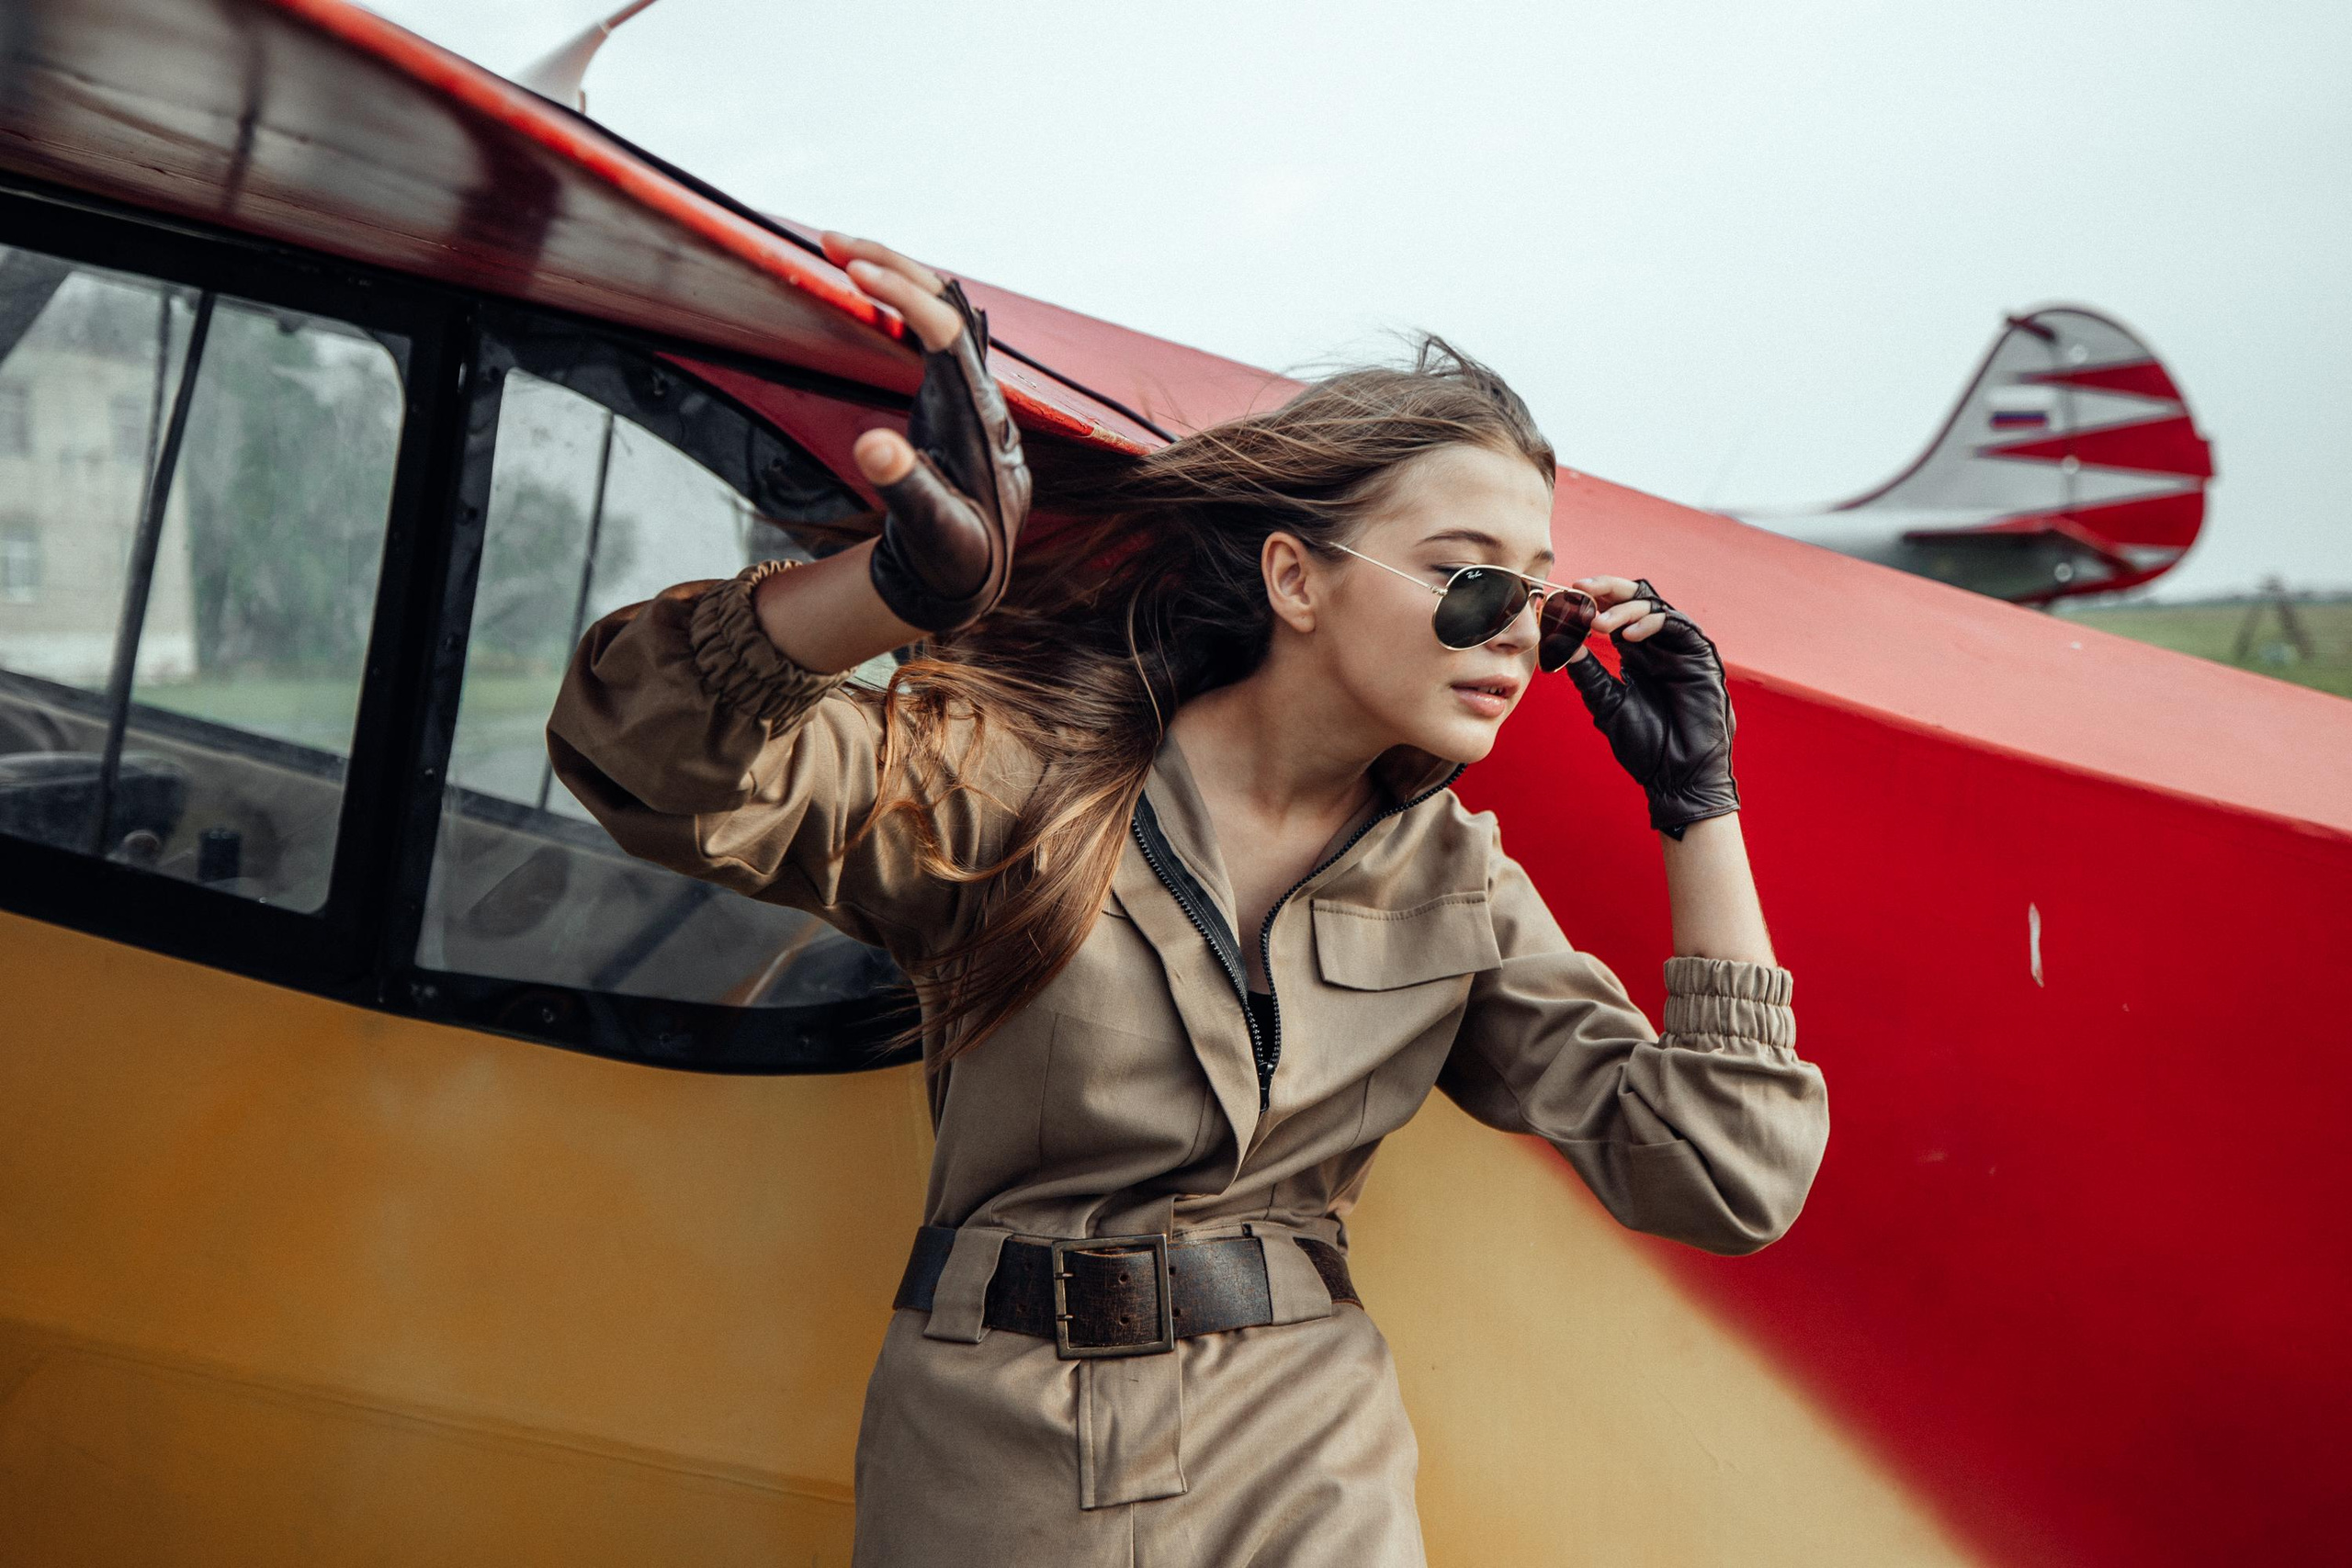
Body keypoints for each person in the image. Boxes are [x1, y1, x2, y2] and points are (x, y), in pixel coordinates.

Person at [548, 233, 1828, 1567]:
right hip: (996, 1454)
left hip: (1304, 1458)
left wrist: (1700, 808)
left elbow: (1724, 1177)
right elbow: (639, 745)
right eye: (1471, 580)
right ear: (1295, 580)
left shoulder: (1461, 883)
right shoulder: (1015, 787)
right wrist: (889, 594)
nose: (1515, 628)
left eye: (1538, 593)